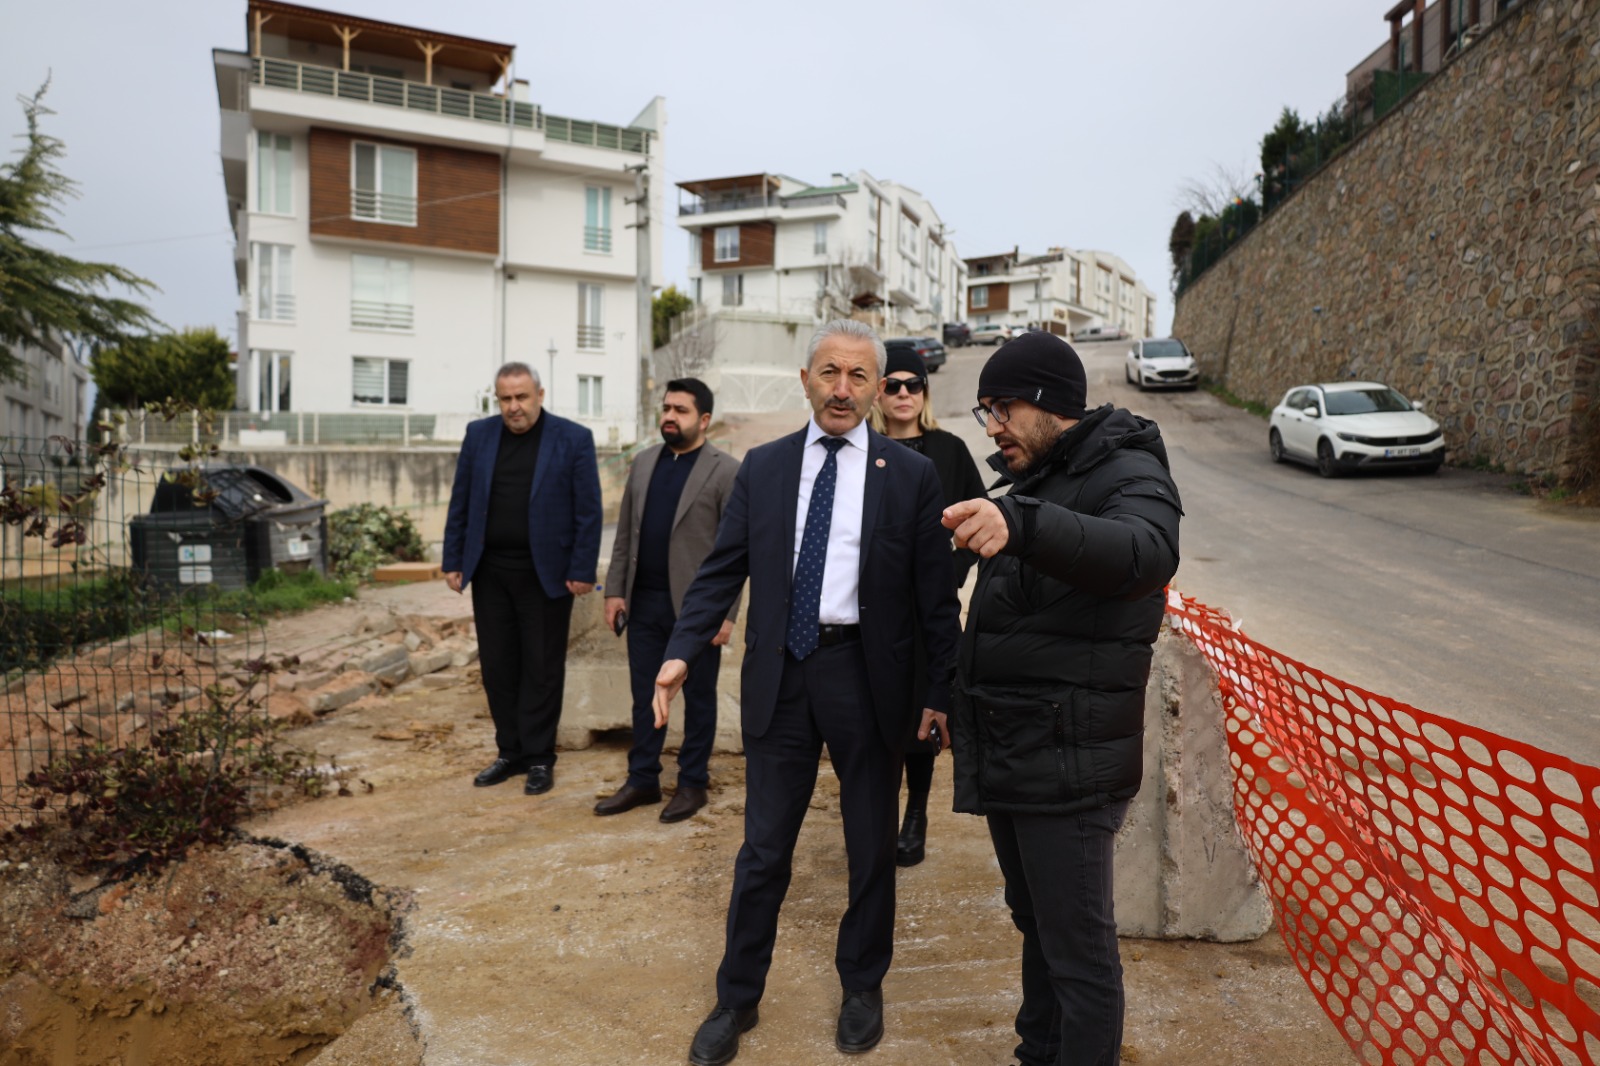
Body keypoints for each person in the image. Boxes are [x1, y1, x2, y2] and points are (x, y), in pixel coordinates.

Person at [653, 320, 962, 1066]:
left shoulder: (910, 475)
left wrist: (939, 691)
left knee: (870, 847)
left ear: (878, 388)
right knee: (763, 851)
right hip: (781, 676)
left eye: (859, 376)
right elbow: (721, 571)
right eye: (830, 373)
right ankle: (736, 998)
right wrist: (680, 652)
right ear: (805, 380)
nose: (843, 389)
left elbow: (935, 599)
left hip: (868, 678)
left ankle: (862, 986)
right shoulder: (763, 468)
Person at [942, 331, 1182, 1066]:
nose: (993, 427)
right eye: (985, 411)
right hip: (1019, 751)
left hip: (1071, 761)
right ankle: (1036, 1053)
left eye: (1003, 408)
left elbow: (1143, 553)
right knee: (1038, 927)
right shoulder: (1038, 479)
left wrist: (1022, 523)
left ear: (1049, 402)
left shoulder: (1128, 469)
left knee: (1078, 955)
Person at [442, 362, 602, 797]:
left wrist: (581, 569)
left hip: (546, 574)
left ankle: (539, 757)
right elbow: (461, 500)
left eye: (521, 397)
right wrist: (454, 559)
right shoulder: (479, 435)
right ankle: (509, 752)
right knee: (498, 666)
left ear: (540, 395)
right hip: (490, 572)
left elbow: (588, 510)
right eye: (506, 399)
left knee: (541, 667)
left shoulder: (573, 438)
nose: (514, 406)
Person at [598, 379, 741, 823]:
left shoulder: (726, 471)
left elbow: (736, 550)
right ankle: (642, 778)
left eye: (680, 410)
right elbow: (625, 534)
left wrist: (725, 615)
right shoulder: (643, 464)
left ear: (704, 420)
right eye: (666, 408)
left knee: (699, 698)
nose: (669, 417)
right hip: (643, 604)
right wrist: (615, 590)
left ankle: (693, 782)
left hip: (697, 612)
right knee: (644, 696)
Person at [867, 349, 987, 868]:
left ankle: (915, 815)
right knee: (871, 714)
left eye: (912, 384)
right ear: (878, 392)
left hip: (927, 613)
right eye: (892, 384)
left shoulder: (949, 450)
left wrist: (950, 572)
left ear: (924, 392)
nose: (903, 394)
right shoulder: (860, 447)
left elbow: (979, 519)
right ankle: (873, 816)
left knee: (923, 711)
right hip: (870, 608)